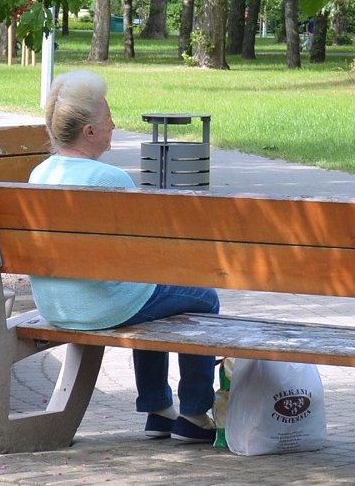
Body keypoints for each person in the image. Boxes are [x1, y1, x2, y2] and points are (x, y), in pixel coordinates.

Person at [31, 71, 220, 443]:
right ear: (88, 131)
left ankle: (158, 409)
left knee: (152, 296)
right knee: (204, 296)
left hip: (55, 305)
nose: (114, 124)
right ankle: (195, 413)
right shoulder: (110, 179)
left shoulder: (40, 174)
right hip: (100, 307)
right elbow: (144, 254)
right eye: (107, 117)